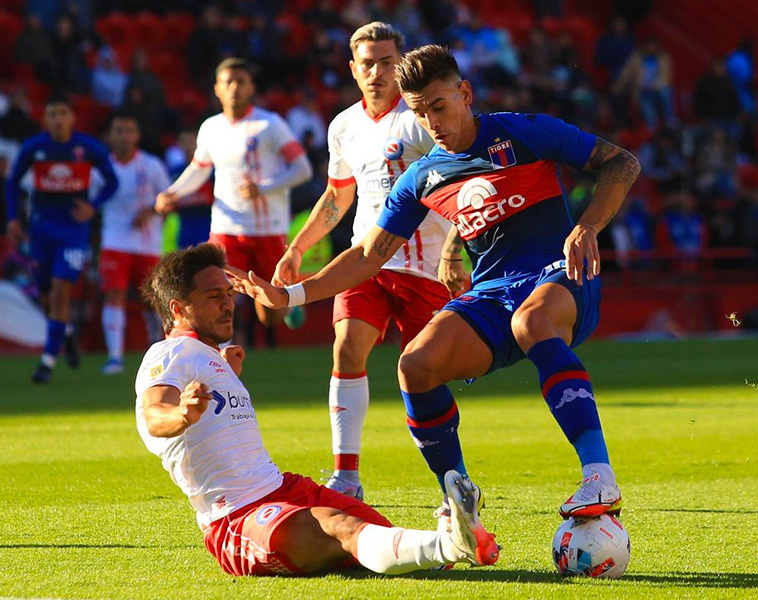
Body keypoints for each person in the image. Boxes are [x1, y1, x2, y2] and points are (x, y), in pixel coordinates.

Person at [227, 45, 641, 525]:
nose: (432, 123)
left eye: (439, 107)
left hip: (560, 274)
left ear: (465, 93)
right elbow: (367, 254)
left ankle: (598, 474)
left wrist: (587, 225)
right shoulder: (422, 177)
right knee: (415, 366)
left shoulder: (524, 131)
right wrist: (292, 294)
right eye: (420, 113)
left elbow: (621, 163)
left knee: (533, 321)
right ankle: (459, 497)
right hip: (493, 291)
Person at [135, 243, 499, 577]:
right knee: (343, 531)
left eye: (228, 294)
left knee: (378, 537)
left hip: (286, 488)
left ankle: (444, 547)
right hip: (237, 517)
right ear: (178, 309)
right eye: (214, 296)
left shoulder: (208, 358)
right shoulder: (168, 354)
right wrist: (182, 413)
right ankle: (451, 543)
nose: (228, 304)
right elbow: (155, 414)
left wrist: (223, 368)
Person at [272, 23, 451, 500]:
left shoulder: (419, 119)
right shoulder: (344, 125)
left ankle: (450, 483)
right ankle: (346, 478)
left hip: (423, 266)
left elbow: (456, 176)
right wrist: (297, 248)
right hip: (364, 264)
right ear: (353, 69)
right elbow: (337, 194)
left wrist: (455, 244)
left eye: (387, 61)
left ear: (402, 64)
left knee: (424, 375)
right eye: (367, 63)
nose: (377, 71)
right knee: (347, 349)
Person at [156, 57, 313, 346]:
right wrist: (173, 193)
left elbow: (303, 169)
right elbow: (199, 169)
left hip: (268, 230)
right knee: (215, 292)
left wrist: (263, 188)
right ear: (217, 88)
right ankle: (219, 360)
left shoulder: (270, 124)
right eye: (228, 82)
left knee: (270, 314)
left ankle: (289, 305)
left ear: (251, 87)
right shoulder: (211, 128)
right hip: (227, 228)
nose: (234, 88)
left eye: (240, 81)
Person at [5, 96, 119, 383]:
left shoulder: (87, 148)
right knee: (45, 297)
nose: (58, 119)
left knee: (59, 291)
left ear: (72, 118)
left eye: (63, 113)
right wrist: (13, 219)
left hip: (73, 231)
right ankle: (65, 333)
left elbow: (112, 181)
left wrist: (93, 206)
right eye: (52, 114)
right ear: (45, 119)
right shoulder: (35, 148)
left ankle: (47, 362)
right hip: (41, 230)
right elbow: (12, 183)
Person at [99, 112, 171, 374]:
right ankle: (115, 357)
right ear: (109, 136)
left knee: (154, 300)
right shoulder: (102, 168)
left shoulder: (151, 166)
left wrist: (150, 211)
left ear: (137, 135)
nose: (124, 136)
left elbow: (168, 199)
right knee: (114, 294)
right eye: (118, 131)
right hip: (114, 241)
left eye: (128, 130)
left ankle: (161, 353)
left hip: (147, 244)